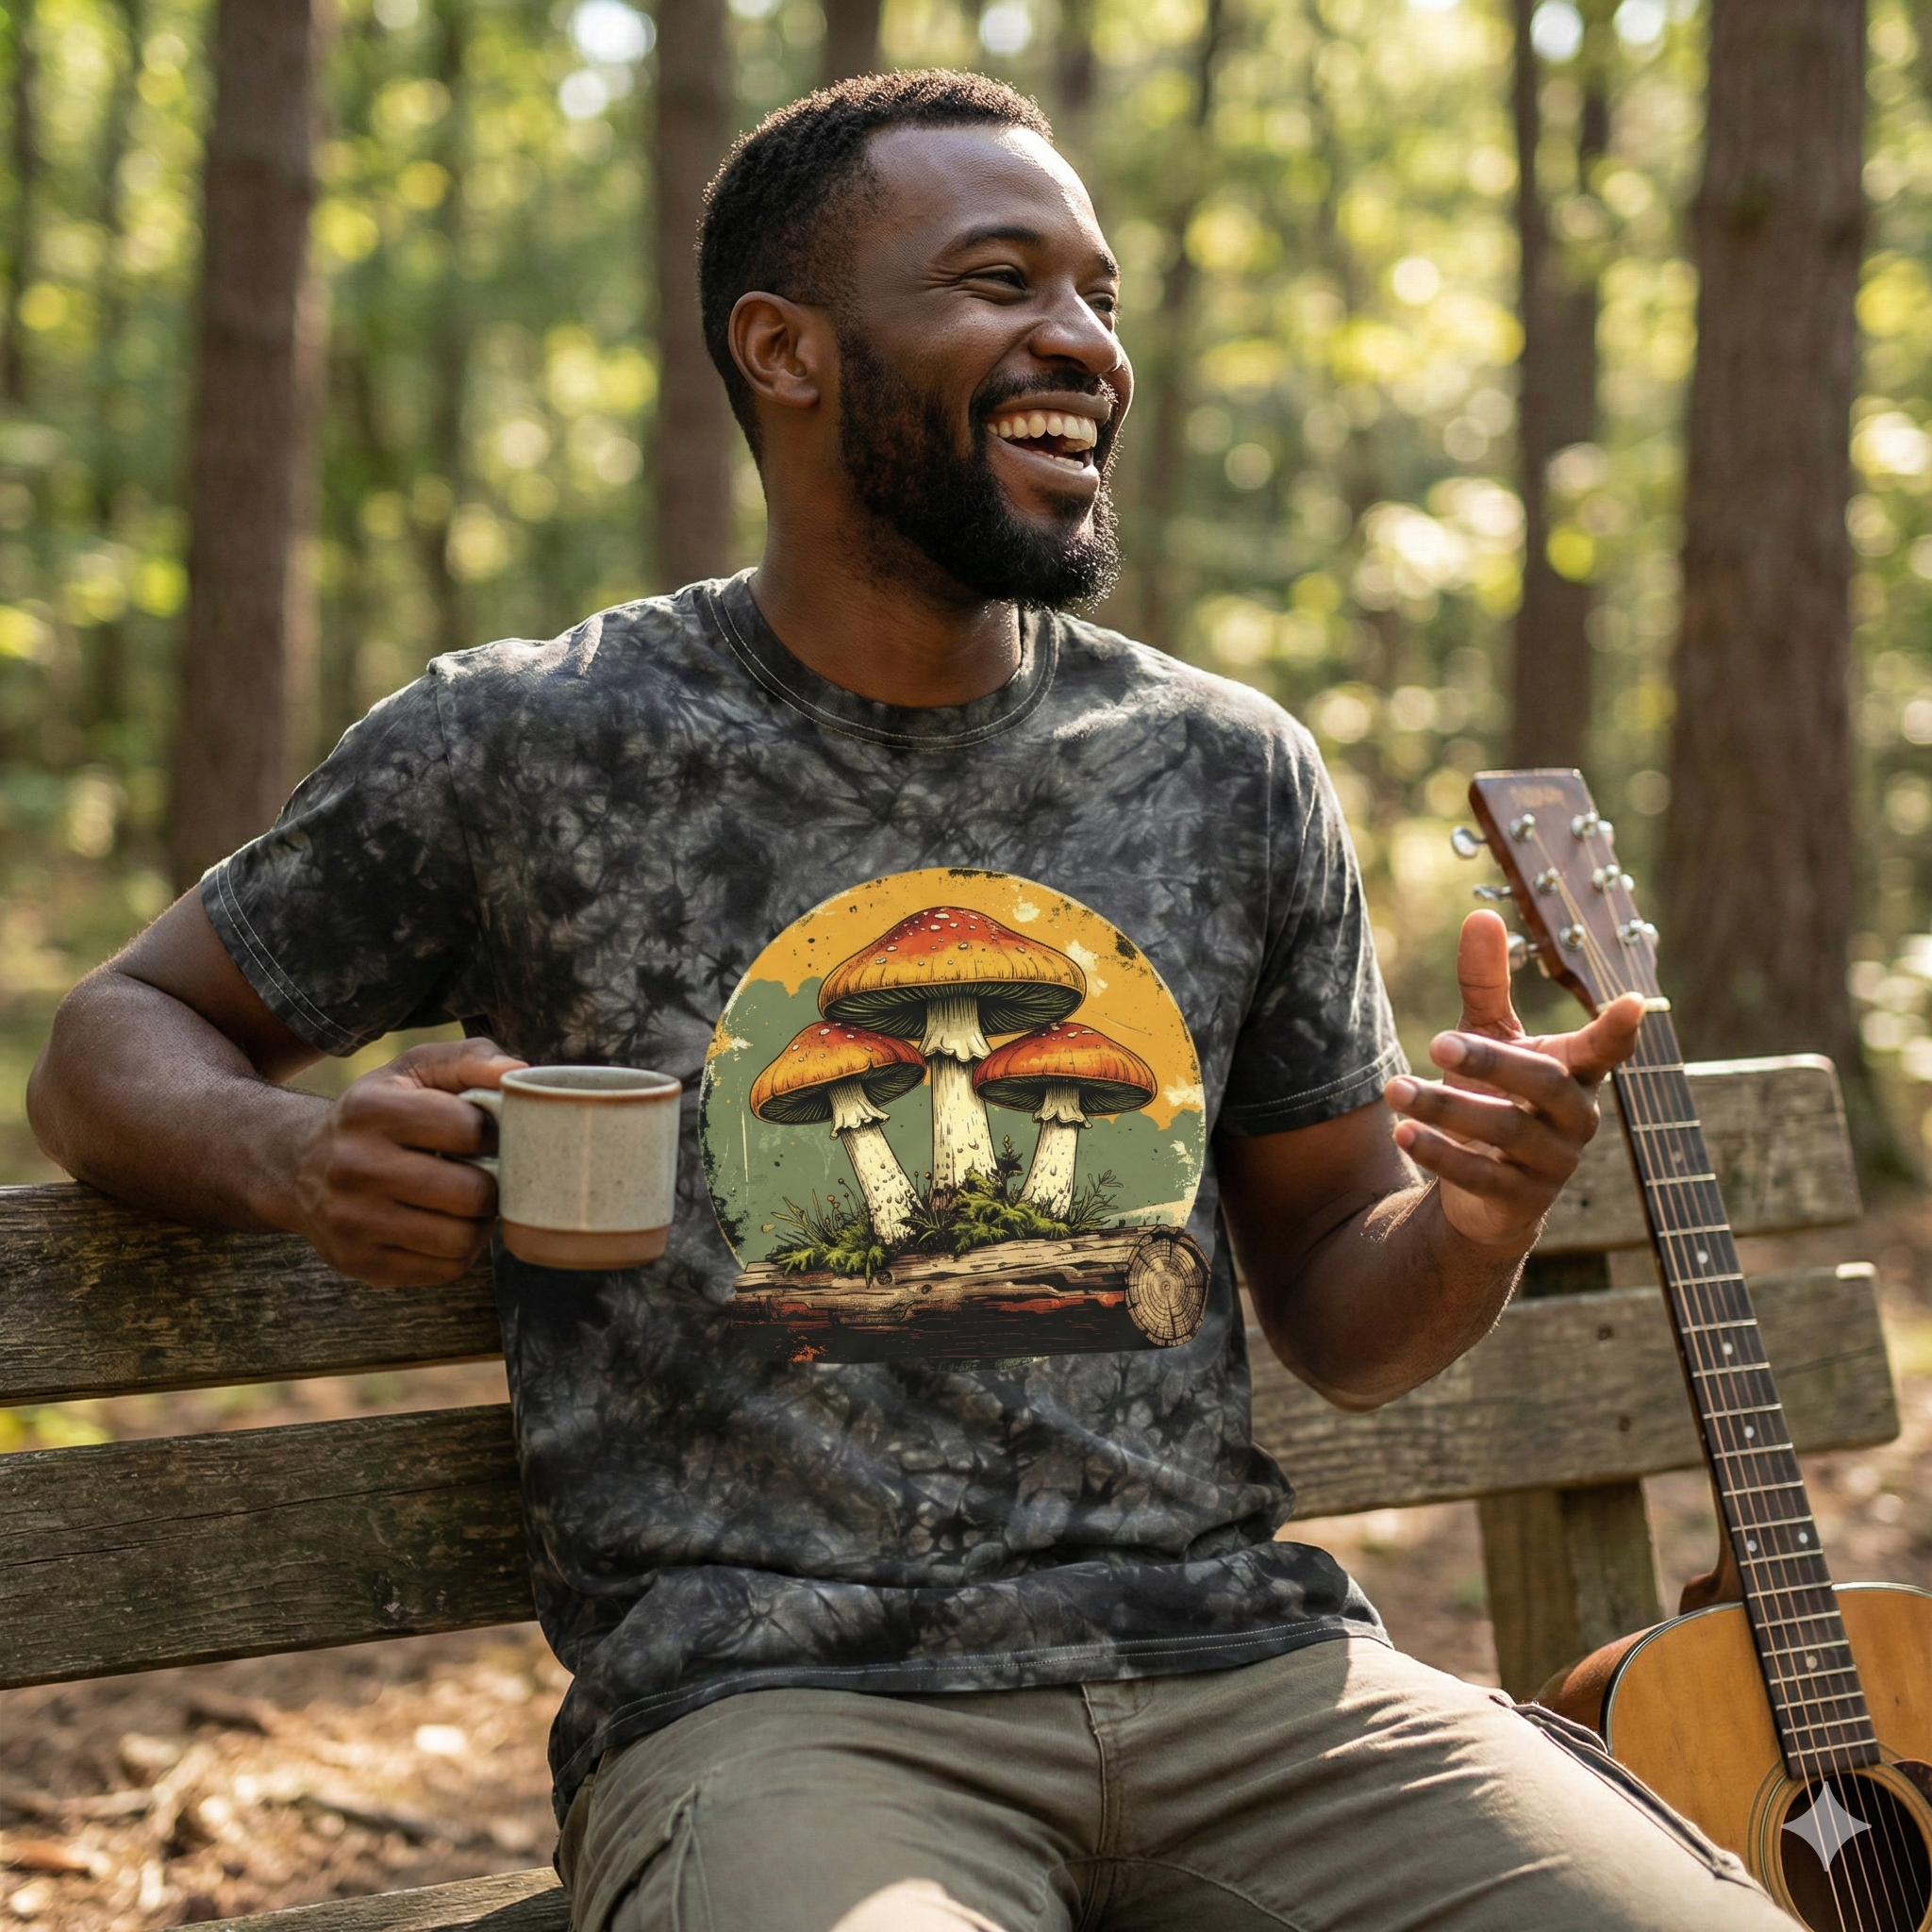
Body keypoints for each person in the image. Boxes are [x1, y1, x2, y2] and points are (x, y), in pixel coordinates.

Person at [29, 71, 1797, 1932]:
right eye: (1000, 279)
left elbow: (1350, 1315)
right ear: (786, 349)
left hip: (1256, 1685)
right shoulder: (530, 746)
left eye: (1099, 293)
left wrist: (1477, 1215)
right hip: (781, 1710)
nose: (1084, 342)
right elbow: (111, 1036)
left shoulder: (1221, 767)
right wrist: (295, 1156)